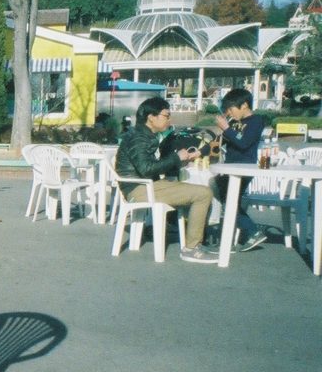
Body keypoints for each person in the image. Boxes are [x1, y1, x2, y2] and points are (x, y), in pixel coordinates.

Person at [114, 96, 216, 263]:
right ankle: (192, 248)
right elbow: (146, 168)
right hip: (139, 189)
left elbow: (148, 166)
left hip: (142, 186)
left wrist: (178, 159)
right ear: (151, 117)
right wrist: (176, 157)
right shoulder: (139, 138)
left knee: (193, 189)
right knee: (204, 193)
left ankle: (193, 240)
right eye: (166, 115)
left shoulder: (142, 134)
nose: (169, 119)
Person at [213, 88, 267, 251]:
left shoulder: (256, 121)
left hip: (245, 167)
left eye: (231, 109)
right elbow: (221, 143)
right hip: (231, 167)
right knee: (227, 198)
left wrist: (227, 129)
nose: (229, 112)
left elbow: (244, 143)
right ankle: (242, 232)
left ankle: (252, 231)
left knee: (229, 200)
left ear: (244, 105)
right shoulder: (235, 123)